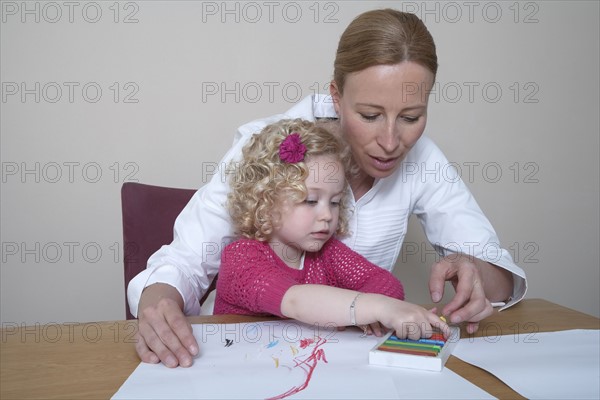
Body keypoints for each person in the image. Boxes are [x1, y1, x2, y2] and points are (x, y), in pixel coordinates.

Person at [128, 9, 528, 368]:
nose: (391, 141)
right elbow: (186, 261)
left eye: (410, 117)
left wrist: (475, 271)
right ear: (336, 97)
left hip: (342, 362)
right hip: (246, 360)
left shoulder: (424, 159)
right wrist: (157, 302)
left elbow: (499, 276)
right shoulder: (266, 148)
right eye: (370, 115)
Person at [214, 118, 447, 340]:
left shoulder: (327, 253)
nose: (327, 215)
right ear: (266, 201)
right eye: (311, 201)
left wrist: (377, 309)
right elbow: (295, 301)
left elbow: (385, 282)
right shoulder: (241, 258)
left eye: (335, 202)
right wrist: (372, 307)